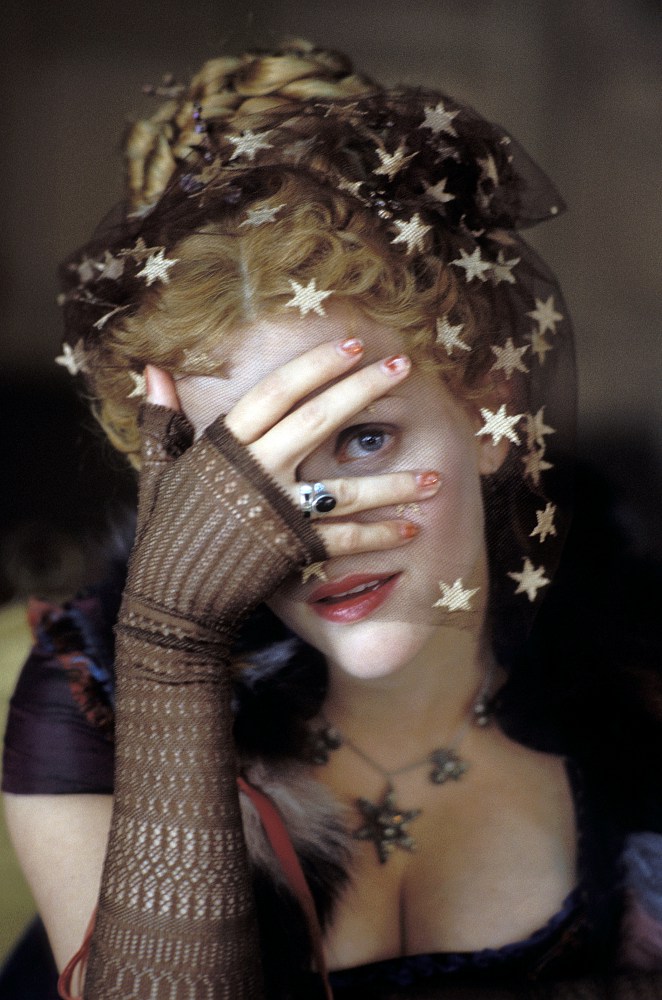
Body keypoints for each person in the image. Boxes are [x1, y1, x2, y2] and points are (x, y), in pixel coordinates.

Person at [2, 39, 661, 999]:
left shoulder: (638, 667)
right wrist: (171, 648)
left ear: (490, 410)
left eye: (364, 440)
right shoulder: (92, 695)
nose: (306, 537)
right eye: (244, 482)